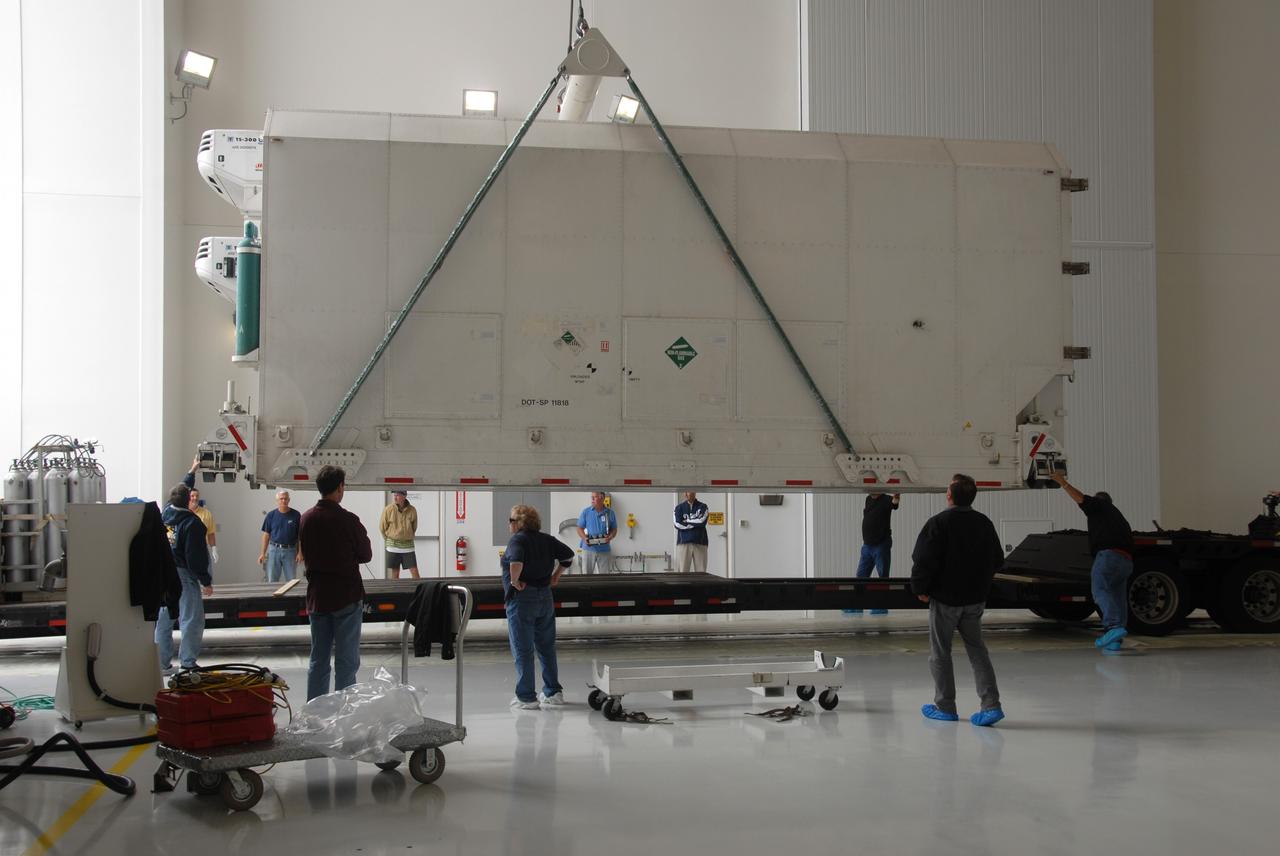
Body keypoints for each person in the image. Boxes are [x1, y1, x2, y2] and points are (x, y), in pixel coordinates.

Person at [910, 474, 1006, 727]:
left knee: (940, 654)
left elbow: (923, 559)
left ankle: (945, 707)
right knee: (978, 652)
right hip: (975, 601)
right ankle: (991, 705)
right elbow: (998, 559)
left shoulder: (938, 523)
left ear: (949, 495)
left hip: (945, 601)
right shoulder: (984, 523)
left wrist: (920, 588)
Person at [299, 466, 372, 700]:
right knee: (346, 662)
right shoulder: (348, 520)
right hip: (345, 597)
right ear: (340, 488)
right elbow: (366, 554)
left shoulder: (306, 519)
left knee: (318, 659)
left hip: (318, 597)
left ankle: (314, 712)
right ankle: (344, 713)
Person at [1050, 472, 1134, 651]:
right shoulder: (1118, 517)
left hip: (1108, 556)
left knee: (1099, 590)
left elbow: (1081, 499)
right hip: (1126, 561)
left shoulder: (1099, 505)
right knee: (1117, 597)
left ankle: (1113, 627)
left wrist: (1062, 482)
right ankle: (1115, 639)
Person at [502, 504, 574, 709]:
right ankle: (553, 692)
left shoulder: (518, 540)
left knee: (523, 649)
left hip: (523, 600)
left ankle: (526, 697)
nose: (509, 524)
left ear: (519, 523)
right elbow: (568, 556)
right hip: (545, 598)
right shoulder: (546, 539)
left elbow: (516, 560)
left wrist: (515, 581)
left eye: (510, 520)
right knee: (546, 647)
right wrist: (556, 575)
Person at [155, 482, 211, 675]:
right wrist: (205, 581)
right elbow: (195, 557)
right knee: (191, 619)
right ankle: (187, 663)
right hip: (183, 575)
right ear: (188, 500)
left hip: (164, 573)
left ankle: (161, 664)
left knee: (164, 619)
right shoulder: (193, 523)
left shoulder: (164, 515)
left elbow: (179, 491)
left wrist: (191, 472)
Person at [847, 492, 899, 615]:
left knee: (882, 577)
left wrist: (896, 497)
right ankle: (858, 605)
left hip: (881, 544)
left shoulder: (887, 499)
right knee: (861, 577)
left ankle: (881, 606)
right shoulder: (868, 499)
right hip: (867, 545)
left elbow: (894, 504)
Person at [259, 489, 302, 583]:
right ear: (277, 500)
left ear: (289, 500)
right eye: (281, 499)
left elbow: (300, 536)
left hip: (290, 551)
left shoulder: (296, 515)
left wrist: (300, 553)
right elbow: (266, 535)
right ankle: (272, 598)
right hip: (274, 550)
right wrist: (263, 553)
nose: (283, 501)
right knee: (272, 580)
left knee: (291, 581)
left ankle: (291, 598)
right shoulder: (271, 515)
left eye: (285, 499)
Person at [182, 457, 218, 566]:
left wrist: (214, 549)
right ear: (187, 497)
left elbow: (211, 533)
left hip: (201, 549)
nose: (195, 498)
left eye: (197, 496)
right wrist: (193, 469)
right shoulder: (182, 513)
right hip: (185, 551)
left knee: (207, 576)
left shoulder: (206, 513)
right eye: (192, 496)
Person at [379, 489, 419, 579]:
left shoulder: (412, 510)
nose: (395, 497)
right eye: (394, 495)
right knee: (395, 573)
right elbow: (382, 527)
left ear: (404, 496)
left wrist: (408, 535)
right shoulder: (388, 509)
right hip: (392, 545)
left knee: (414, 571)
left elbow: (414, 527)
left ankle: (419, 591)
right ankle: (395, 593)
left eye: (397, 495)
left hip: (408, 545)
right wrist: (389, 539)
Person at [576, 491, 617, 575]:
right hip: (588, 549)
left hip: (604, 549)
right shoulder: (586, 512)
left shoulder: (610, 513)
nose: (592, 499)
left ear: (602, 498)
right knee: (586, 576)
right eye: (592, 497)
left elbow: (614, 529)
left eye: (594, 497)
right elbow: (579, 528)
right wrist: (584, 538)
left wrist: (610, 537)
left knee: (605, 576)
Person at [673, 490, 710, 573]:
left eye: (689, 492)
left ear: (694, 493)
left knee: (701, 572)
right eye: (685, 492)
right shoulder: (679, 508)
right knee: (683, 572)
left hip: (700, 543)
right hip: (683, 543)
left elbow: (701, 521)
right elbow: (677, 524)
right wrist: (694, 523)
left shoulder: (703, 506)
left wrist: (686, 521)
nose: (686, 494)